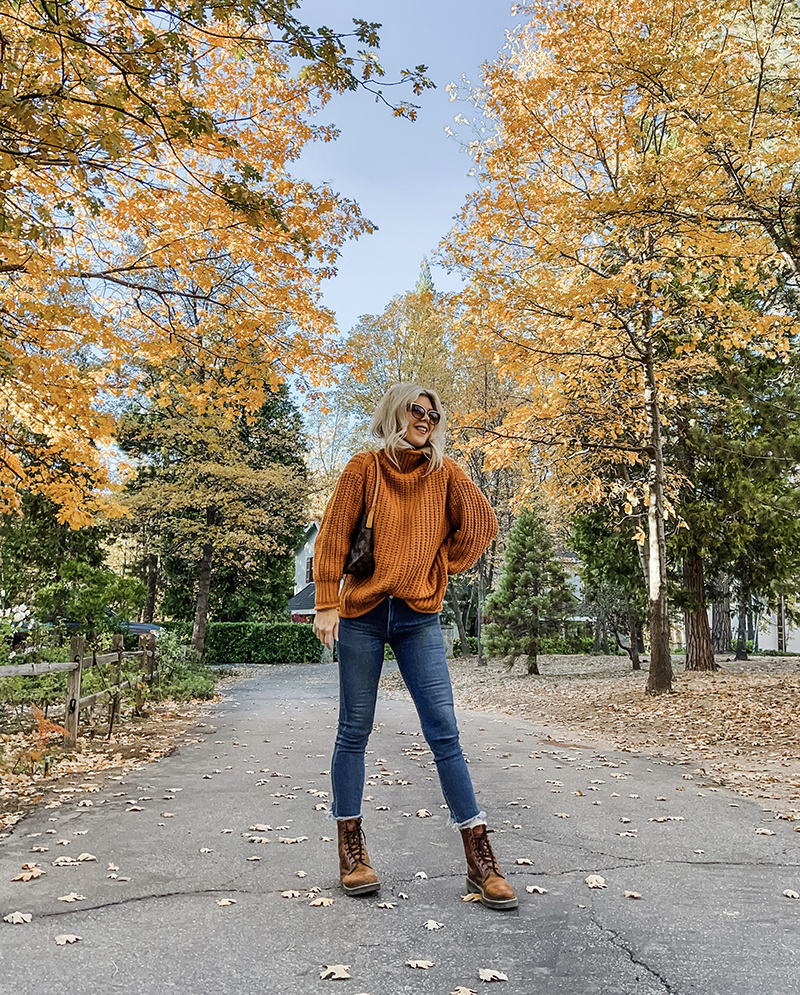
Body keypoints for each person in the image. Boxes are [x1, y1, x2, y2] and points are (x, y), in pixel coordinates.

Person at [312, 383, 517, 911]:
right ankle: (351, 851)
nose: (425, 418)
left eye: (433, 413)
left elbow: (482, 524)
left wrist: (441, 565)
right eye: (416, 410)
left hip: (419, 616)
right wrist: (325, 603)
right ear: (394, 413)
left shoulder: (444, 474)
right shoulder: (365, 467)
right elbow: (333, 536)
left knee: (444, 730)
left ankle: (479, 858)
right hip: (360, 613)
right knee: (354, 729)